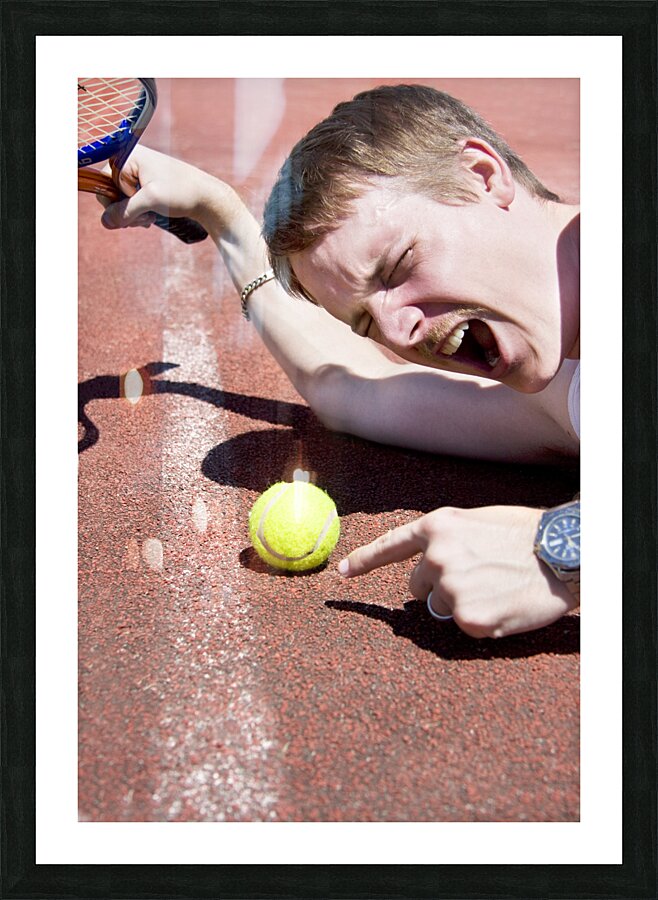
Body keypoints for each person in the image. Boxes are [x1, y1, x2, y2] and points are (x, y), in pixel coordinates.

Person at [98, 84, 580, 640]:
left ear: (481, 174)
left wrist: (557, 549)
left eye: (399, 264)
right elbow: (363, 392)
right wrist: (225, 219)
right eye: (368, 324)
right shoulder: (560, 388)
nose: (401, 332)